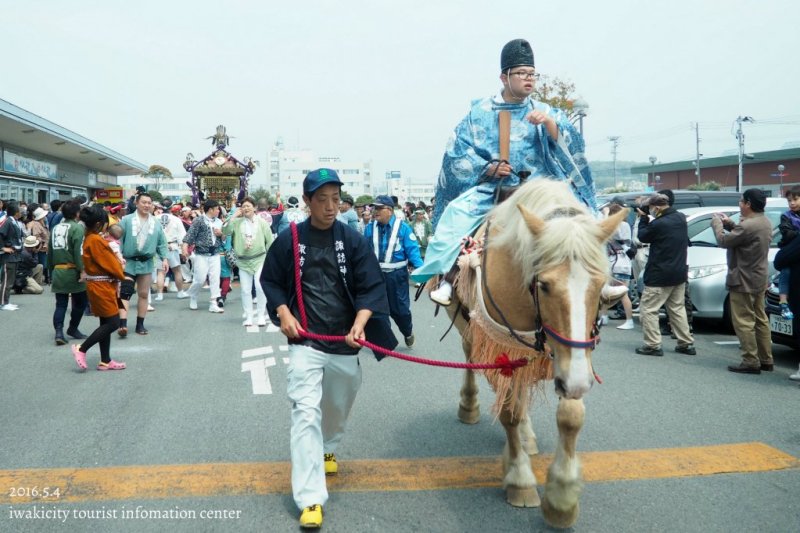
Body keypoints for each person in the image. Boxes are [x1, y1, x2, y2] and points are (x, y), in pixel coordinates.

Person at [411, 38, 596, 305]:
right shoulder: (480, 113)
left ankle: (598, 282)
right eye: (521, 73)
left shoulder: (545, 111)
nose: (528, 79)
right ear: (504, 77)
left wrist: (551, 124)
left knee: (584, 220)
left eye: (532, 74)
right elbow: (457, 155)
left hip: (540, 191)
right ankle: (448, 279)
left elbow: (573, 146)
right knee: (455, 218)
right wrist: (488, 168)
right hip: (494, 191)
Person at [261, 168, 396, 529]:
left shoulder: (352, 240)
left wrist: (361, 323)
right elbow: (271, 281)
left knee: (337, 404)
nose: (331, 206)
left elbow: (370, 285)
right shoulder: (288, 238)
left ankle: (329, 443)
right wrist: (283, 311)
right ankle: (310, 499)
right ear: (307, 202)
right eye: (322, 199)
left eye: (336, 199)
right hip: (305, 341)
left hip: (345, 342)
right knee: (305, 413)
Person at [712, 189, 773, 374]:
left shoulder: (747, 225)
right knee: (760, 319)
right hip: (759, 277)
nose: (739, 204)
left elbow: (724, 240)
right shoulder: (764, 222)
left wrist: (717, 224)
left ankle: (750, 361)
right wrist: (730, 224)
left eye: (741, 201)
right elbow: (742, 237)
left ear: (748, 204)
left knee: (744, 321)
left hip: (742, 279)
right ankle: (766, 359)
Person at [634, 193, 695, 357]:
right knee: (677, 308)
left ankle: (653, 345)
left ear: (658, 207)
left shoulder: (659, 224)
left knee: (648, 309)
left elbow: (642, 236)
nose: (651, 211)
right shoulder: (680, 218)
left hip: (659, 274)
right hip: (678, 273)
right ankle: (686, 343)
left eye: (652, 208)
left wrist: (643, 219)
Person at [70, 206, 127, 371]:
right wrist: (122, 274)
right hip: (102, 286)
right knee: (113, 322)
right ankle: (82, 349)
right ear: (98, 224)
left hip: (99, 284)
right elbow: (111, 263)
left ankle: (105, 360)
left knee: (106, 321)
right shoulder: (96, 240)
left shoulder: (90, 237)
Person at [363, 195, 424, 347]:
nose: (374, 211)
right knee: (379, 311)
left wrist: (422, 272)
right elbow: (363, 252)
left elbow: (413, 251)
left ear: (389, 210)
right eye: (373, 208)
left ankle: (407, 331)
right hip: (376, 276)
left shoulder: (403, 228)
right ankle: (385, 343)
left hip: (397, 276)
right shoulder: (369, 228)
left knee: (401, 311)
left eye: (378, 208)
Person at [118, 192, 169, 335]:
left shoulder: (156, 222)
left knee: (144, 294)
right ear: (136, 203)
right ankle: (122, 324)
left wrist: (164, 258)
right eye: (144, 202)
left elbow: (161, 243)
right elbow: (119, 241)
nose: (147, 205)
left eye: (149, 203)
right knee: (125, 292)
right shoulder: (126, 220)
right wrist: (118, 258)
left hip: (146, 263)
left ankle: (140, 324)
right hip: (128, 262)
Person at [223, 196, 274, 326]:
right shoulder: (237, 222)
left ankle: (261, 315)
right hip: (242, 261)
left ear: (254, 208)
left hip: (260, 258)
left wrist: (272, 259)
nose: (246, 208)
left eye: (248, 206)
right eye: (244, 206)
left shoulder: (262, 222)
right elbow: (225, 231)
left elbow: (269, 241)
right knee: (245, 290)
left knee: (259, 287)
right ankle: (249, 317)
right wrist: (234, 215)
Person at [47, 200, 88, 343]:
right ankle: (73, 328)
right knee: (81, 302)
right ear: (77, 213)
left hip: (58, 270)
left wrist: (50, 270)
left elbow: (50, 252)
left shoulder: (56, 228)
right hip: (73, 270)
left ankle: (59, 332)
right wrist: (82, 270)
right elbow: (78, 252)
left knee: (61, 304)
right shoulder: (77, 228)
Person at [182, 199, 224, 314]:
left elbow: (224, 237)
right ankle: (193, 296)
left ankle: (213, 303)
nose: (218, 211)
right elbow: (190, 235)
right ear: (210, 209)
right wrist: (185, 247)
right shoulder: (198, 221)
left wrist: (221, 234)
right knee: (199, 279)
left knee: (215, 279)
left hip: (215, 253)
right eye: (217, 209)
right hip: (201, 254)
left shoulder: (219, 221)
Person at [602, 203, 635, 330]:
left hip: (619, 264)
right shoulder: (623, 224)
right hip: (615, 263)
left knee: (622, 293)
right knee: (606, 290)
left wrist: (605, 215)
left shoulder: (622, 225)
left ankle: (629, 320)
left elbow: (606, 229)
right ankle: (604, 316)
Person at [154, 203, 189, 300]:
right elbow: (182, 236)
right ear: (171, 208)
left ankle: (159, 295)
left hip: (159, 247)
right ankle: (180, 292)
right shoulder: (176, 219)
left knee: (160, 272)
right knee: (177, 271)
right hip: (172, 246)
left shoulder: (155, 218)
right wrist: (183, 250)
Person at [776, 186, 800, 320]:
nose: (792, 203)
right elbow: (787, 233)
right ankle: (783, 302)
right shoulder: (786, 216)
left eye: (795, 199)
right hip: (789, 251)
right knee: (785, 273)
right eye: (789, 200)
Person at [0, 201, 24, 310]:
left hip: (14, 254)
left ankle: (7, 301)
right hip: (8, 255)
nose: (21, 212)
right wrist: (2, 247)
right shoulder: (8, 222)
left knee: (10, 279)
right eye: (20, 210)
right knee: (7, 280)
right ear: (16, 212)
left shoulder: (13, 221)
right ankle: (3, 303)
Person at [26, 207, 50, 284]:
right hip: (41, 248)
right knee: (43, 264)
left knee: (44, 263)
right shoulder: (36, 224)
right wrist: (43, 242)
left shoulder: (42, 223)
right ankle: (43, 279)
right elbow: (37, 237)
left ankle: (45, 279)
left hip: (44, 248)